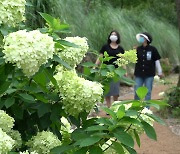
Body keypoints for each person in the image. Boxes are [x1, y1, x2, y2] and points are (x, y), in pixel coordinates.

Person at [95, 30, 124, 108]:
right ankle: (109, 108)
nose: (113, 36)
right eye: (112, 34)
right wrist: (95, 66)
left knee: (115, 91)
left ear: (117, 37)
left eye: (115, 35)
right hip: (106, 70)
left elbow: (123, 59)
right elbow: (100, 56)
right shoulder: (105, 47)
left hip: (116, 72)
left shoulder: (120, 48)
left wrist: (125, 70)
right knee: (107, 90)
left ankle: (115, 106)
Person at [134, 32, 163, 100]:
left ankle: (146, 109)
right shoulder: (137, 49)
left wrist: (160, 72)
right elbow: (133, 59)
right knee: (137, 91)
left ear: (146, 39)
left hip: (149, 74)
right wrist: (133, 51)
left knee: (148, 92)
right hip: (139, 74)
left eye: (142, 37)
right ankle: (136, 108)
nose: (140, 39)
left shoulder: (153, 49)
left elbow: (157, 61)